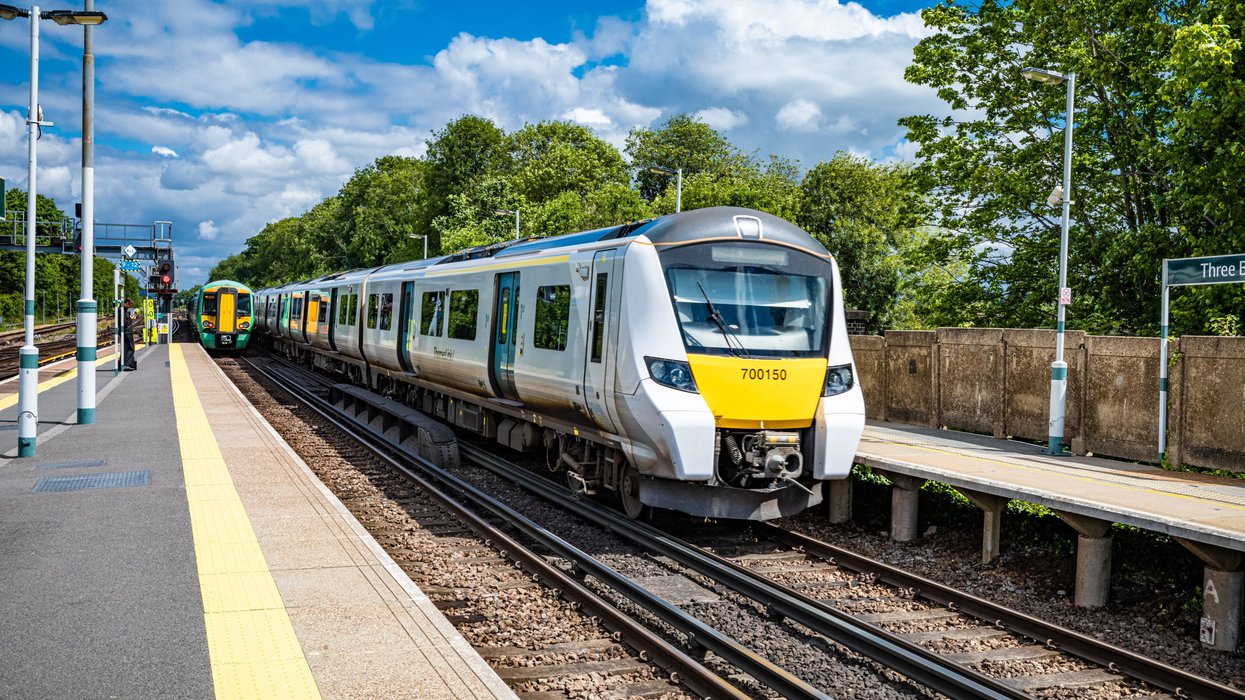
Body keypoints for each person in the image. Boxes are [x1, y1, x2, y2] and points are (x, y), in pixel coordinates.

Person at [122, 298, 140, 371]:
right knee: (131, 348)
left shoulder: (124, 310)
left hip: (127, 331)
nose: (130, 306)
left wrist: (130, 318)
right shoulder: (122, 310)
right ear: (126, 303)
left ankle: (129, 364)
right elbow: (125, 323)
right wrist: (131, 319)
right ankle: (127, 364)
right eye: (130, 304)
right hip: (127, 332)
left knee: (127, 348)